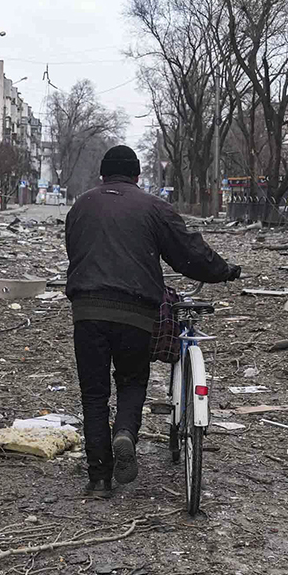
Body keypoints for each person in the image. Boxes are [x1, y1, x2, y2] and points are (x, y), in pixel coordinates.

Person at [64, 144, 241, 495]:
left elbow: (75, 250)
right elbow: (188, 254)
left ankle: (99, 478)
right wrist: (225, 271)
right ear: (137, 175)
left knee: (93, 393)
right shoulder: (153, 207)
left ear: (102, 174)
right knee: (131, 380)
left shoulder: (81, 206)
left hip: (87, 310)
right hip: (136, 311)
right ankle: (126, 432)